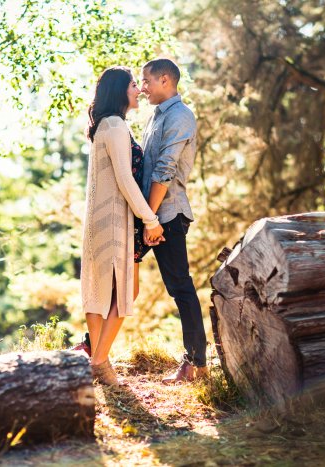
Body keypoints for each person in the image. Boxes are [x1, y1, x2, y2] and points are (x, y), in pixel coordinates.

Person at [80, 66, 165, 386]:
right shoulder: (114, 125)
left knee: (102, 292)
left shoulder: (106, 125)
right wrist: (151, 219)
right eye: (134, 85)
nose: (140, 89)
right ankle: (100, 362)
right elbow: (125, 180)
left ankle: (98, 360)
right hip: (115, 220)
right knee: (124, 291)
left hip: (103, 219)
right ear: (119, 91)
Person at [138, 58, 208, 384]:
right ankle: (95, 346)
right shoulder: (156, 116)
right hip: (149, 214)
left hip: (167, 215)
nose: (142, 87)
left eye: (147, 81)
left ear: (166, 80)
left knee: (181, 287)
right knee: (117, 273)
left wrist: (150, 218)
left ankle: (196, 364)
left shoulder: (181, 116)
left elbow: (165, 169)